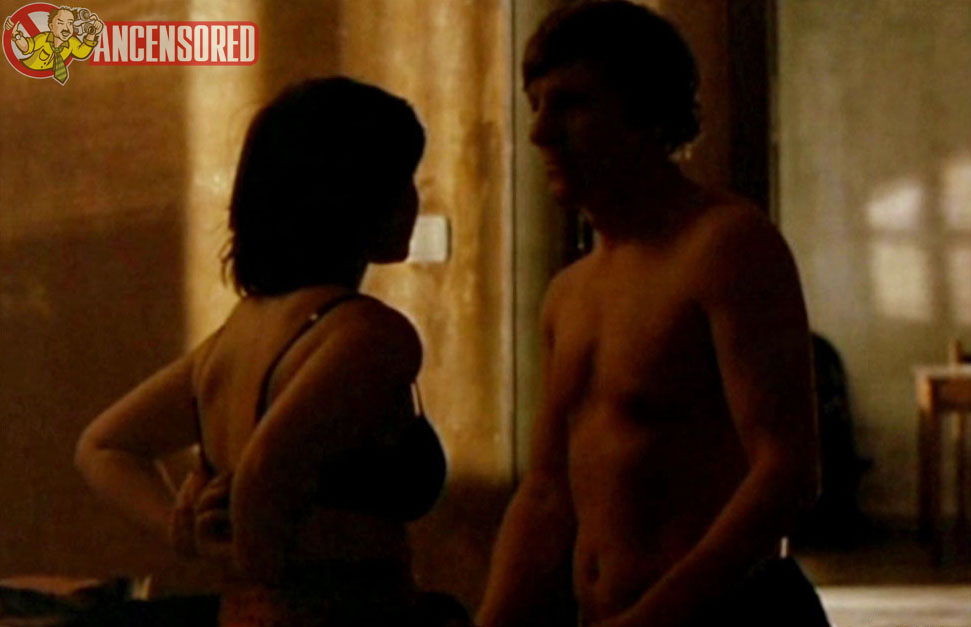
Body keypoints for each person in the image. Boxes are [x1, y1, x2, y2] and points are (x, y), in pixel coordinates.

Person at [477, 2, 830, 626]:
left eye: (571, 103)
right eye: (535, 104)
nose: (540, 132)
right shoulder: (569, 292)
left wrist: (651, 620)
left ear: (645, 112)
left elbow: (787, 471)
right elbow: (546, 493)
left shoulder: (725, 247)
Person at [75, 77, 461, 626]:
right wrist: (250, 558)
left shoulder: (235, 336)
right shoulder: (370, 335)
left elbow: (103, 446)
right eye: (401, 179)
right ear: (353, 194)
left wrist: (190, 538)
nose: (413, 200)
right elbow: (264, 471)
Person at [4, 6, 103, 84]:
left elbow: (82, 52)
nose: (66, 28)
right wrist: (16, 35)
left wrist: (92, 33)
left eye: (70, 24)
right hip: (27, 76)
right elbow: (26, 47)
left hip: (50, 84)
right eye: (60, 23)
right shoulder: (43, 38)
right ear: (51, 26)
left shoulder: (72, 42)